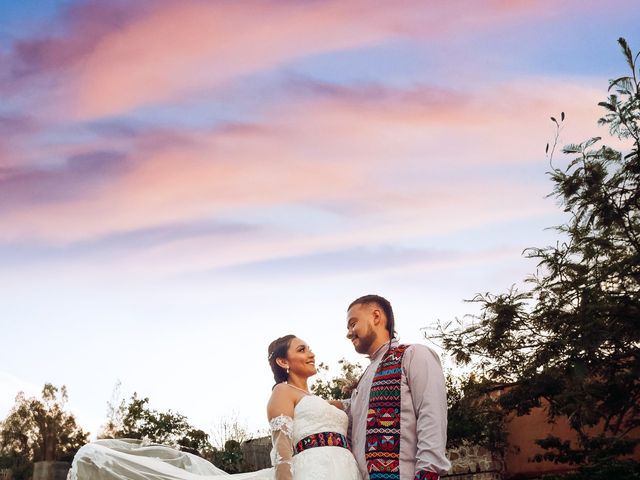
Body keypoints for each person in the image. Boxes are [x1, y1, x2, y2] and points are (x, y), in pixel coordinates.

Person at [68, 335, 362, 480]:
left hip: (346, 467)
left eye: (309, 348)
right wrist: (284, 469)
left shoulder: (325, 402)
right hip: (312, 470)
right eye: (301, 349)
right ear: (283, 362)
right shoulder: (282, 392)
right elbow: (281, 437)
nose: (310, 353)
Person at [344, 295, 450, 480]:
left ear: (376, 316)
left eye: (353, 323)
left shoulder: (413, 354)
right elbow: (355, 413)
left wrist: (428, 472)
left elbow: (431, 412)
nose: (349, 333)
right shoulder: (364, 379)